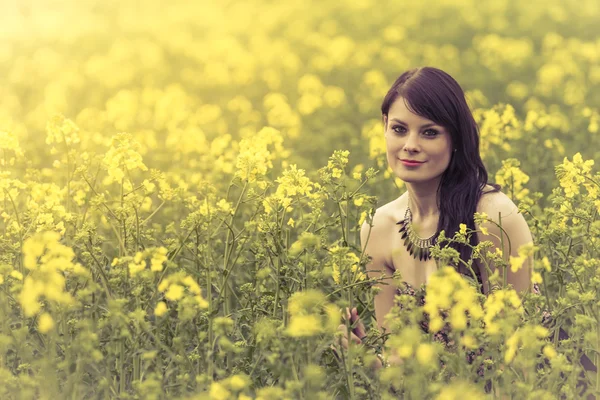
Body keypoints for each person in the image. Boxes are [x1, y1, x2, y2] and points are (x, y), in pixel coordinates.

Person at [336, 66, 534, 369]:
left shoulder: (494, 217)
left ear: (455, 138)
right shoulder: (378, 229)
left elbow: (518, 357)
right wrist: (364, 359)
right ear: (384, 126)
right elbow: (397, 364)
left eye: (429, 132)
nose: (410, 145)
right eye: (399, 129)